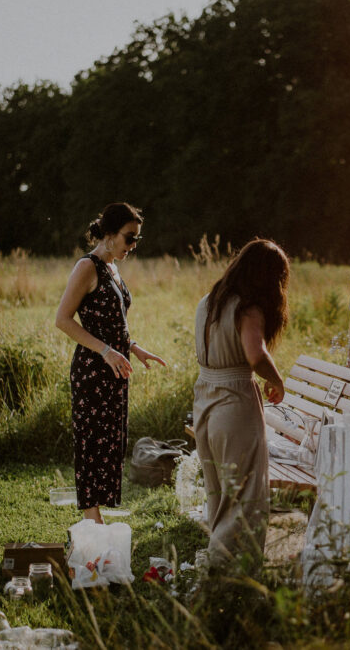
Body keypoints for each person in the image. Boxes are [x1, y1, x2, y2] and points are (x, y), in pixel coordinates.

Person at [55, 202, 166, 524]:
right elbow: (63, 320)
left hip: (115, 367)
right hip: (92, 370)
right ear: (108, 233)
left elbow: (110, 323)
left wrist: (133, 347)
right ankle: (93, 519)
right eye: (129, 238)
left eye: (137, 240)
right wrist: (106, 351)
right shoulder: (87, 267)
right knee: (92, 441)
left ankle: (98, 514)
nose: (133, 246)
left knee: (110, 442)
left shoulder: (112, 268)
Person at [192, 239, 289, 572]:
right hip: (234, 403)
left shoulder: (209, 302)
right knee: (245, 493)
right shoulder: (248, 308)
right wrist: (277, 380)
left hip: (204, 399)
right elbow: (255, 354)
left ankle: (217, 564)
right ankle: (231, 572)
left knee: (218, 490)